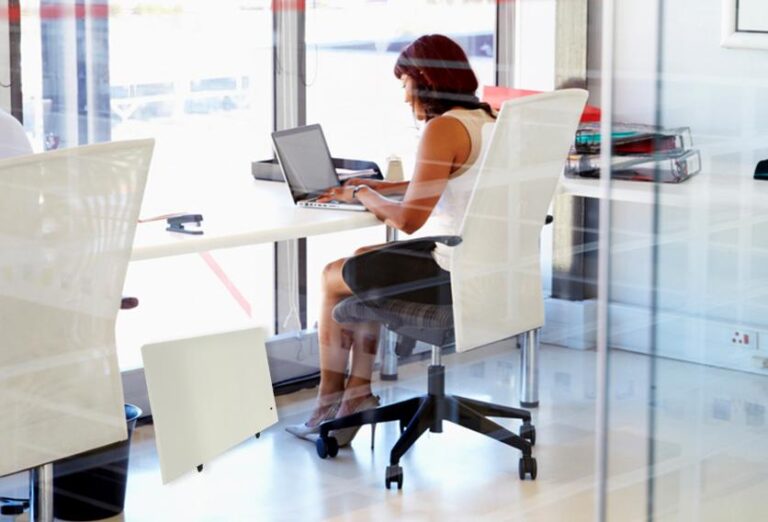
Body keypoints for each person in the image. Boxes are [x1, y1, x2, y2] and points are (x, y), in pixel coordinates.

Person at [286, 34, 496, 445]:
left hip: (448, 272)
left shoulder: (442, 128)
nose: (404, 97)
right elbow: (454, 178)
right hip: (480, 265)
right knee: (362, 264)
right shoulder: (488, 120)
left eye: (404, 84)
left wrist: (364, 193)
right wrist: (390, 186)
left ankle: (331, 400)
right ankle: (356, 395)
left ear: (422, 79)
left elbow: (411, 221)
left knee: (333, 275)